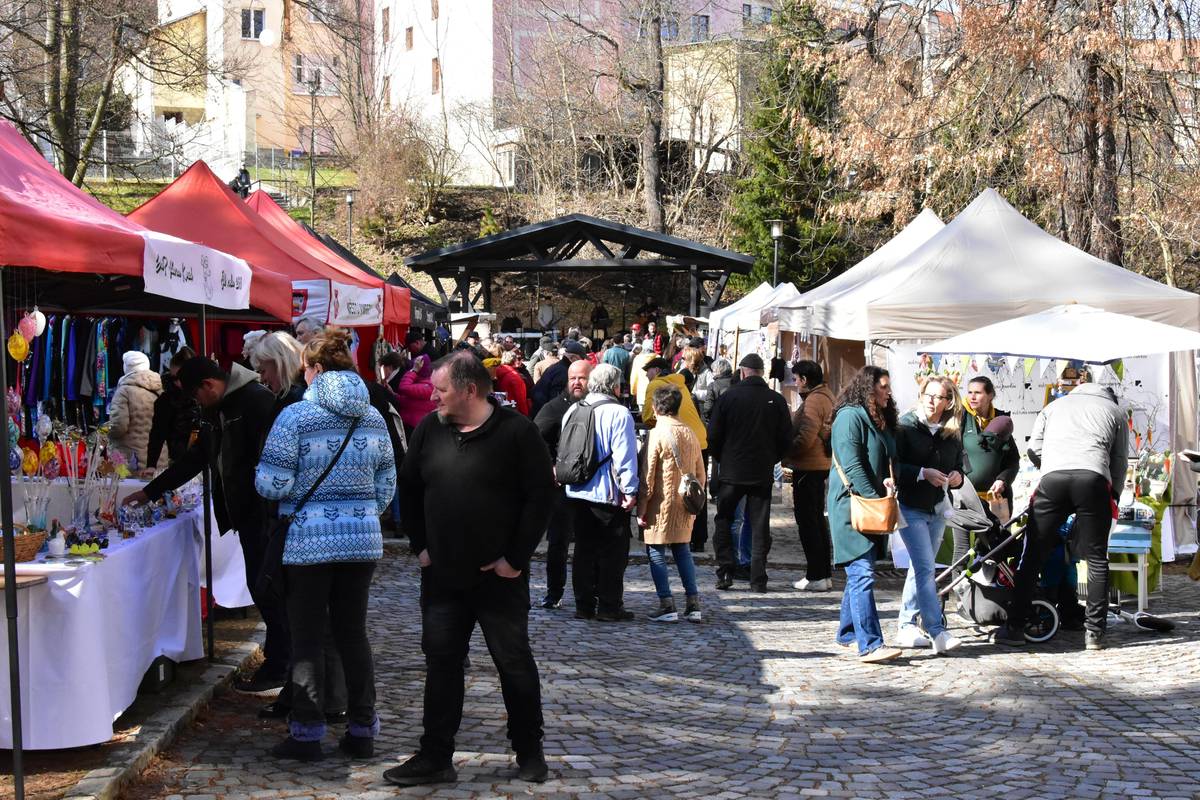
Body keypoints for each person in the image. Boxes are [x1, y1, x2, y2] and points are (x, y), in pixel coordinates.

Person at [385, 352, 555, 786]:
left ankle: (529, 751)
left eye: (441, 390)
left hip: (499, 580)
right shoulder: (430, 430)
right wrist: (420, 546)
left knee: (513, 663)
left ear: (470, 390)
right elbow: (408, 484)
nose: (434, 396)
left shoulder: (518, 434)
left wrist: (515, 560)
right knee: (441, 665)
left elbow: (540, 500)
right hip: (443, 578)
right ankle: (435, 756)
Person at [254, 330, 396, 761]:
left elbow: (271, 483)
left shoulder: (295, 417)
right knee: (353, 635)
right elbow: (387, 485)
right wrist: (360, 510)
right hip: (361, 542)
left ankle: (307, 734)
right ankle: (361, 731)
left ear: (312, 370)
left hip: (308, 543)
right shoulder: (372, 417)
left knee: (308, 638)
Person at [124, 356, 288, 691]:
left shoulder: (255, 401)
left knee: (267, 587)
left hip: (264, 514)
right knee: (262, 586)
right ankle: (279, 658)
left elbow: (273, 458)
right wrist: (151, 491)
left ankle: (280, 665)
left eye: (196, 396)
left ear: (209, 386)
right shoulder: (219, 410)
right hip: (247, 514)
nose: (195, 403)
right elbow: (197, 458)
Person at [995, 382, 1127, 651]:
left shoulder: (1052, 407)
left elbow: (1033, 449)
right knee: (1097, 558)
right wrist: (1115, 494)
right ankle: (1095, 633)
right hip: (1093, 478)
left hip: (1053, 479)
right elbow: (1119, 460)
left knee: (1032, 555)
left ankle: (1015, 627)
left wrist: (1053, 465)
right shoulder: (1115, 411)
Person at [829, 366, 902, 664]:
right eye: (882, 387)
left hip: (871, 505)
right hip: (852, 506)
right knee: (862, 573)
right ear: (867, 388)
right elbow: (852, 465)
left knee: (861, 570)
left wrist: (886, 483)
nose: (888, 392)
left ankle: (848, 633)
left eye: (888, 386)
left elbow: (881, 459)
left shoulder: (877, 418)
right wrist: (875, 500)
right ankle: (870, 644)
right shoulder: (849, 417)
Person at [707, 354, 791, 592]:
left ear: (743, 372)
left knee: (724, 519)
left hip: (732, 470)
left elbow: (713, 436)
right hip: (760, 471)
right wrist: (770, 458)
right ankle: (758, 578)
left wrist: (724, 459)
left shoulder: (729, 398)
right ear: (761, 372)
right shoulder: (775, 400)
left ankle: (725, 571)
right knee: (759, 524)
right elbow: (786, 439)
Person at [893, 375, 965, 654]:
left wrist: (958, 476)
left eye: (940, 397)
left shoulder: (950, 431)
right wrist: (923, 473)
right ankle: (937, 630)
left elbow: (959, 465)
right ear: (921, 395)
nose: (934, 402)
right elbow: (895, 467)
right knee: (925, 568)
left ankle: (906, 624)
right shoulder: (906, 426)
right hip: (911, 506)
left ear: (948, 402)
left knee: (920, 567)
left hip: (938, 507)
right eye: (929, 395)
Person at [562, 363, 639, 621]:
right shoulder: (619, 413)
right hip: (607, 492)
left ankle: (583, 605)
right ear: (615, 386)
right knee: (612, 553)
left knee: (583, 550)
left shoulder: (574, 409)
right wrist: (630, 490)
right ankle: (609, 606)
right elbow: (624, 456)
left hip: (576, 489)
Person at [637, 384, 706, 623]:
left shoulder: (656, 434)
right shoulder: (690, 432)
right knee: (682, 551)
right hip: (685, 504)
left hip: (661, 504)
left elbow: (647, 477)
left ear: (656, 407)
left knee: (656, 551)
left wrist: (641, 508)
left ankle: (666, 604)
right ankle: (693, 603)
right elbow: (701, 474)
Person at [533, 360, 593, 609]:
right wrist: (551, 466)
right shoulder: (554, 407)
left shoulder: (597, 406)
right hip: (562, 489)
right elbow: (533, 439)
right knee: (558, 543)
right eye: (573, 378)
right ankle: (554, 592)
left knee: (589, 543)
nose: (577, 383)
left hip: (590, 486)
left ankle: (587, 595)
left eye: (582, 378)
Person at [641, 356, 709, 551]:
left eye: (648, 371)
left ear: (655, 370)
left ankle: (671, 536)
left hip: (675, 438)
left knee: (669, 488)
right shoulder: (681, 385)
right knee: (695, 488)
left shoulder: (656, 386)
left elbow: (648, 416)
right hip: (697, 438)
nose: (646, 375)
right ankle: (697, 538)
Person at [784, 360, 836, 592]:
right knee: (816, 521)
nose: (795, 384)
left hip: (809, 467)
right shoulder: (825, 395)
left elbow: (805, 436)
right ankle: (822, 574)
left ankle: (815, 574)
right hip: (818, 465)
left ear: (805, 379)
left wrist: (786, 454)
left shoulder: (814, 400)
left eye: (796, 379)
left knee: (808, 523)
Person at [956, 376, 1021, 557]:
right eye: (969, 392)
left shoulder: (1001, 420)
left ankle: (992, 585)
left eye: (978, 392)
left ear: (990, 395)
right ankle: (958, 585)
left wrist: (1003, 480)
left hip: (995, 498)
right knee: (961, 550)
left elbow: (1012, 460)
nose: (972, 397)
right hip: (965, 496)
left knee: (994, 548)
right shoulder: (961, 417)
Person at [145, 347, 199, 473]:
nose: (178, 382)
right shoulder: (166, 400)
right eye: (174, 377)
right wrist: (151, 464)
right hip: (179, 462)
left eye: (181, 377)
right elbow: (157, 433)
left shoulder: (204, 394)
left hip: (207, 462)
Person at [108, 351, 164, 470]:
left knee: (130, 489)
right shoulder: (160, 390)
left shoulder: (123, 392)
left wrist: (105, 433)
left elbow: (118, 426)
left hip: (131, 462)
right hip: (158, 460)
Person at [531, 339, 586, 414]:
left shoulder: (557, 368)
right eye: (582, 359)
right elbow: (556, 400)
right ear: (573, 358)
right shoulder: (563, 372)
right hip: (547, 414)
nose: (582, 361)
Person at [393, 354, 436, 438]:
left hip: (415, 429)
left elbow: (404, 387)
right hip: (414, 427)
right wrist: (393, 395)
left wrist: (414, 370)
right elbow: (410, 402)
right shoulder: (424, 384)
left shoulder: (429, 386)